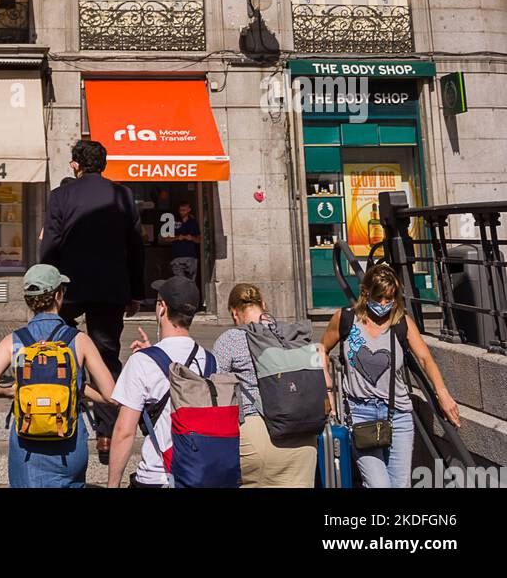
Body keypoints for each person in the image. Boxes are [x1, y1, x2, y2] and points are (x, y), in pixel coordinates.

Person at [39, 138, 145, 462]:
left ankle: (58, 410)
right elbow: (136, 247)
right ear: (104, 164)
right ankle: (107, 434)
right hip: (110, 287)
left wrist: (47, 287)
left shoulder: (61, 195)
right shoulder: (123, 195)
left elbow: (51, 244)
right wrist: (135, 292)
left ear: (75, 164)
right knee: (107, 355)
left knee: (58, 345)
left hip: (68, 288)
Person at [321, 262, 460, 489]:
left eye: (390, 298)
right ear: (366, 294)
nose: (384, 304)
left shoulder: (401, 322)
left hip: (398, 415)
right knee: (378, 485)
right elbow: (321, 350)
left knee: (400, 485)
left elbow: (426, 359)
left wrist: (442, 393)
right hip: (359, 413)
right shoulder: (345, 319)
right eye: (379, 298)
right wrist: (327, 393)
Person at [0, 263, 117, 488]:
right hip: (68, 441)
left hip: (27, 444)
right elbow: (111, 395)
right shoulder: (78, 340)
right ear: (59, 295)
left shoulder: (14, 340)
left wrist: (11, 390)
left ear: (28, 300)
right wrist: (78, 391)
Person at [213, 282, 322, 487]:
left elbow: (215, 387)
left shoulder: (231, 339)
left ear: (234, 313)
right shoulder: (292, 334)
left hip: (259, 437)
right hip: (305, 437)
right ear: (263, 304)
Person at [108, 276, 210, 488]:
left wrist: (112, 485)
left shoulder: (142, 362)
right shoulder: (210, 360)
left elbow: (124, 432)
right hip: (201, 475)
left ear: (162, 308)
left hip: (158, 476)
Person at [169, 199, 201, 285]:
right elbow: (166, 238)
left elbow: (199, 240)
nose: (182, 212)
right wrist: (177, 237)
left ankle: (190, 299)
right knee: (180, 284)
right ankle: (182, 299)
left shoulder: (193, 222)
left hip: (191, 257)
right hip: (177, 258)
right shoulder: (174, 222)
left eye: (184, 210)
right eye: (180, 210)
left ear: (189, 210)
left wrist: (191, 238)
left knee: (191, 283)